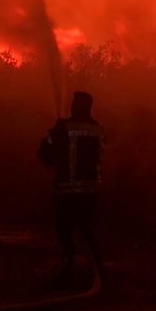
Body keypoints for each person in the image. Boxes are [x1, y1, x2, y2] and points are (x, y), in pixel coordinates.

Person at [38, 91, 105, 283]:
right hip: (91, 191)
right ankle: (98, 270)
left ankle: (68, 269)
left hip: (67, 191)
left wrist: (53, 133)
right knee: (88, 230)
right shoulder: (98, 129)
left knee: (65, 231)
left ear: (74, 106)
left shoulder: (63, 128)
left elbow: (44, 154)